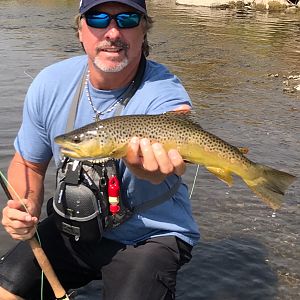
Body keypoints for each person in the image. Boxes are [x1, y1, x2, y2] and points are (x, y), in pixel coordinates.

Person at [0, 0, 200, 299]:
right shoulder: (50, 84)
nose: (113, 32)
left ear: (144, 30)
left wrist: (149, 170)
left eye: (128, 19)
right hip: (73, 225)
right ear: (80, 29)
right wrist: (25, 206)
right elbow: (30, 164)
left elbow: (167, 157)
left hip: (147, 237)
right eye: (98, 19)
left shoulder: (162, 93)